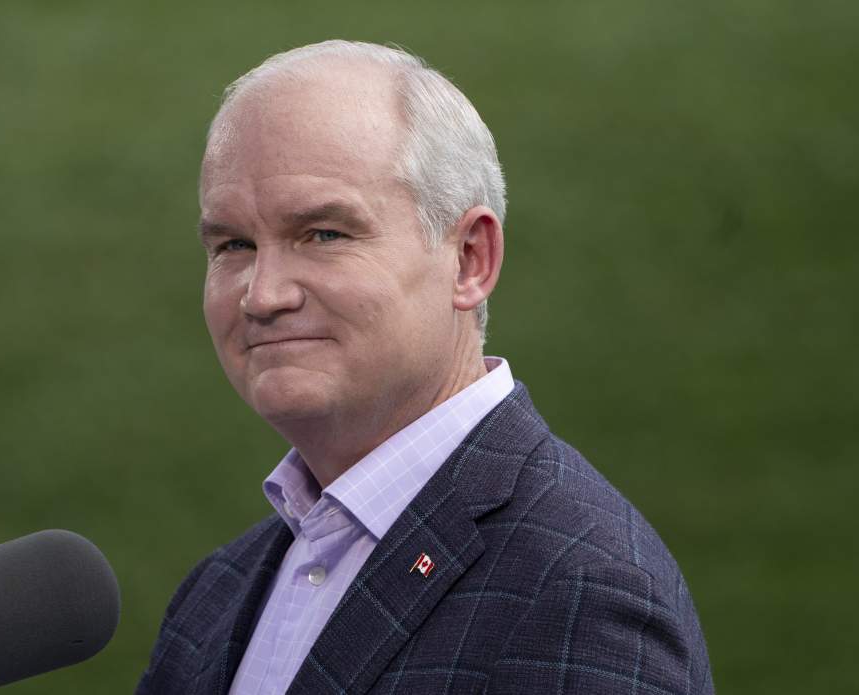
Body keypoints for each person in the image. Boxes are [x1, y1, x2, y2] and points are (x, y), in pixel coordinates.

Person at [137, 40, 713, 695]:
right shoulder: (217, 594)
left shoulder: (580, 586)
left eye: (324, 234)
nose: (264, 294)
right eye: (233, 245)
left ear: (470, 259)